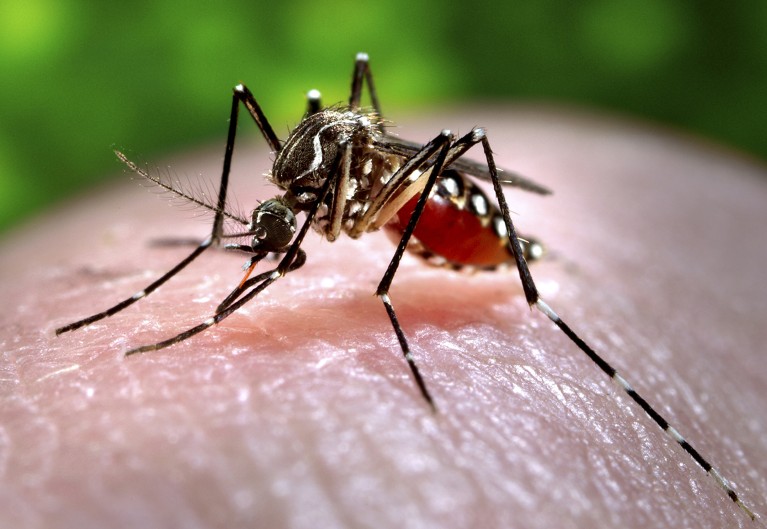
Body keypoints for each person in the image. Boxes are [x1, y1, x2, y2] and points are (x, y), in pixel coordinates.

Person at [2, 108, 765, 527]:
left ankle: (540, 305)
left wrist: (385, 287)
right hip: (376, 194)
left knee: (453, 142)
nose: (275, 247)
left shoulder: (331, 187)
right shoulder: (287, 184)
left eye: (273, 235)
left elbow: (434, 147)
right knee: (257, 100)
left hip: (447, 215)